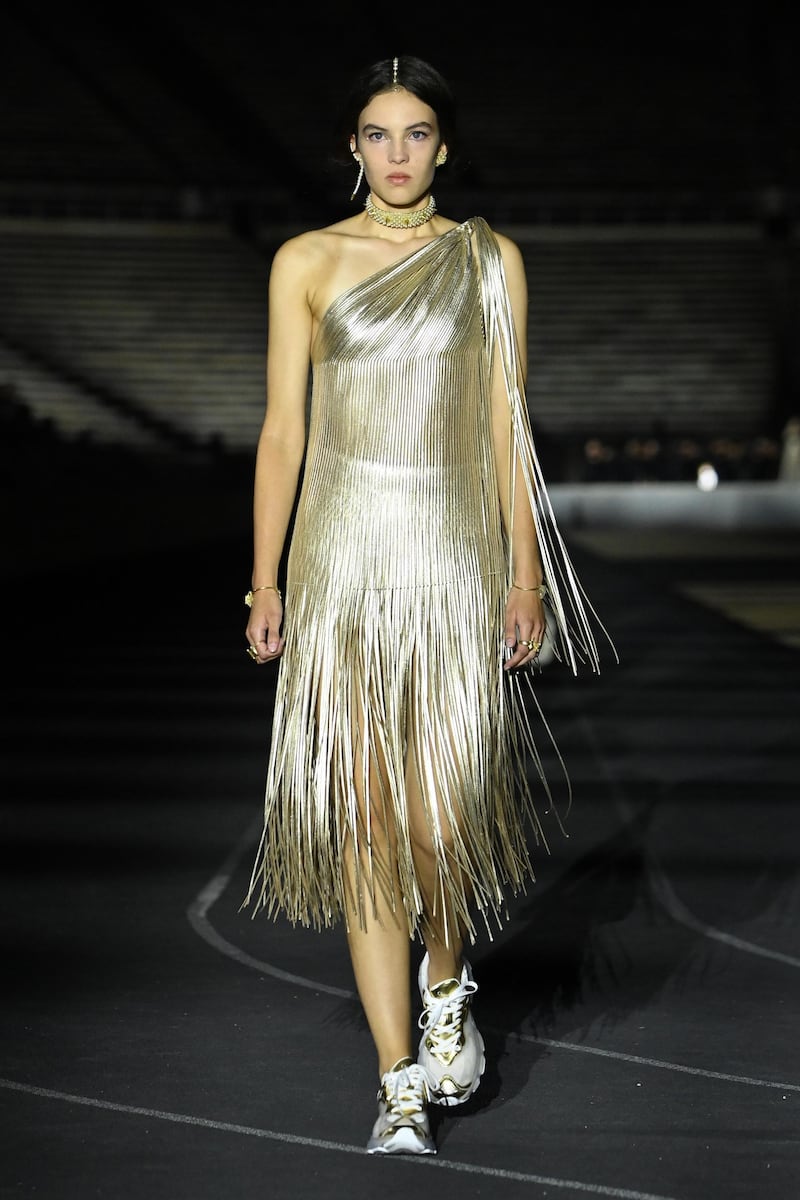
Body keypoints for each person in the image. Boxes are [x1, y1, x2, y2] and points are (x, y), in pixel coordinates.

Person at [241, 54, 613, 1156]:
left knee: (437, 824)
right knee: (362, 826)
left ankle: (445, 982)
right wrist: (265, 581)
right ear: (351, 148)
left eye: (414, 134)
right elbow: (281, 433)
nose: (394, 154)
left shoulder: (487, 262)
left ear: (442, 147)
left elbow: (505, 426)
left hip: (450, 561)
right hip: (341, 562)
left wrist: (523, 573)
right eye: (374, 133)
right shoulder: (306, 261)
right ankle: (396, 1081)